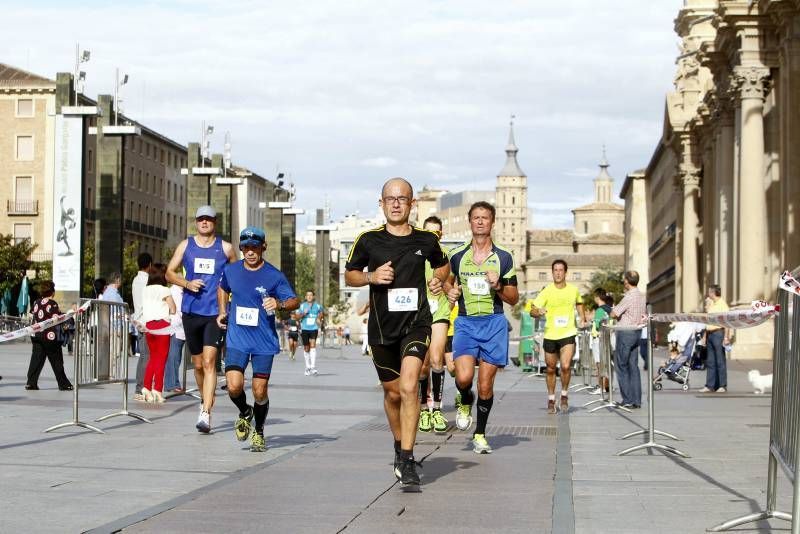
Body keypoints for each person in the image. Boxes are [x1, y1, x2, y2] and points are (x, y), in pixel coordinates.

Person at [345, 177, 449, 491]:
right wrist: (371, 276)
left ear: (411, 203)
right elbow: (350, 276)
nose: (395, 203)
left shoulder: (427, 240)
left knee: (409, 387)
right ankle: (398, 443)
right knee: (391, 394)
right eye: (390, 198)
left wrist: (438, 281)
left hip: (416, 323)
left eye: (402, 198)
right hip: (381, 329)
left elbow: (442, 266)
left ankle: (407, 457)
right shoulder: (367, 240)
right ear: (381, 203)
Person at [445, 201, 518, 454]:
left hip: (493, 323)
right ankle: (465, 399)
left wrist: (498, 285)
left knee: (485, 385)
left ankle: (480, 434)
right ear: (469, 222)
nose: (480, 221)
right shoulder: (456, 256)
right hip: (465, 322)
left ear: (492, 222)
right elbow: (445, 282)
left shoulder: (504, 257)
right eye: (475, 217)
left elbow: (513, 298)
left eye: (485, 218)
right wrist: (450, 292)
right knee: (463, 377)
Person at [217, 226, 299, 452]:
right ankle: (245, 412)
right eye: (245, 248)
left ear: (263, 247)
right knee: (234, 387)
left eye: (254, 247)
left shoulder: (274, 275)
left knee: (260, 391)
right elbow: (222, 288)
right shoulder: (231, 271)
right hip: (237, 339)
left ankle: (259, 431)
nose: (250, 252)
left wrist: (279, 303)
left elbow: (294, 300)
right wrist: (222, 310)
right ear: (241, 248)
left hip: (263, 341)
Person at [166, 205, 237, 433]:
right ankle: (204, 399)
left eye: (208, 219)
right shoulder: (186, 245)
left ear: (215, 222)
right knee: (197, 365)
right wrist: (187, 283)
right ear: (196, 222)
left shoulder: (225, 249)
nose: (204, 223)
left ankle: (206, 412)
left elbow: (236, 278)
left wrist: (232, 305)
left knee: (209, 363)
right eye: (200, 219)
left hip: (215, 314)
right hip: (191, 312)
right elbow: (169, 273)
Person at [530, 259, 585, 414]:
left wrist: (582, 318)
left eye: (561, 270)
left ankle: (565, 395)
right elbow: (532, 310)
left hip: (568, 333)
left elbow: (579, 303)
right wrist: (538, 312)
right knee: (550, 368)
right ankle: (551, 399)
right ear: (552, 272)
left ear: (565, 272)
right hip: (550, 334)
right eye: (555, 270)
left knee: (566, 366)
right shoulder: (547, 290)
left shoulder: (573, 290)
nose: (558, 273)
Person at [417, 216, 453, 435]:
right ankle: (424, 410)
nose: (433, 236)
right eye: (428, 232)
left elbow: (449, 283)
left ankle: (437, 409)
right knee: (423, 365)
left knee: (438, 359)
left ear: (441, 235)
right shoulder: (415, 255)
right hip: (419, 314)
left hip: (439, 311)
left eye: (436, 233)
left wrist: (448, 289)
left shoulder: (444, 257)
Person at [25, 280, 73, 391]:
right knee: (56, 360)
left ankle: (31, 382)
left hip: (37, 335)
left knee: (36, 359)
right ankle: (63, 384)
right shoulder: (53, 303)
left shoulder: (36, 302)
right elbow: (56, 319)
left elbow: (32, 315)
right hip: (50, 336)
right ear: (52, 292)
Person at [140, 263, 176, 403]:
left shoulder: (145, 290)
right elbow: (172, 309)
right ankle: (157, 390)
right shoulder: (164, 290)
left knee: (153, 358)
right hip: (162, 325)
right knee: (161, 359)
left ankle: (146, 387)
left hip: (149, 325)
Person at [610, 270, 647, 408]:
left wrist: (612, 310)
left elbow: (614, 314)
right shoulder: (641, 296)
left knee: (621, 366)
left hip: (625, 333)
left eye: (624, 279)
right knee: (634, 366)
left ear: (627, 281)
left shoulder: (629, 297)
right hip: (637, 332)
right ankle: (636, 400)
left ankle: (627, 399)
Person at [700, 284, 731, 393]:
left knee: (720, 360)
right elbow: (707, 321)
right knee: (710, 361)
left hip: (718, 333)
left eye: (709, 292)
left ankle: (722, 385)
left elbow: (726, 322)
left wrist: (726, 337)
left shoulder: (723, 305)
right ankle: (710, 385)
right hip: (710, 334)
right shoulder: (711, 304)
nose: (708, 294)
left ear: (713, 293)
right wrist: (704, 336)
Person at [131, 252, 153, 399]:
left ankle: (142, 386)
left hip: (138, 321)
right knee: (146, 356)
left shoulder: (135, 280)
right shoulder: (147, 281)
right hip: (146, 321)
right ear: (149, 265)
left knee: (144, 356)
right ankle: (141, 387)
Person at [589, 290, 613, 395]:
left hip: (598, 339)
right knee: (607, 363)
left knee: (599, 364)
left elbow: (598, 325)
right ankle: (608, 386)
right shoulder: (610, 309)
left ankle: (601, 387)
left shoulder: (599, 310)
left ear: (598, 297)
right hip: (608, 338)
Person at [163, 284, 186, 392]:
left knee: (176, 357)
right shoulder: (173, 291)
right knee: (174, 357)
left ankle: (173, 383)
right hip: (175, 327)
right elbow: (177, 310)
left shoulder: (180, 292)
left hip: (179, 329)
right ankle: (172, 384)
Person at [298, 290, 324, 376]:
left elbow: (321, 313)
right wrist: (303, 313)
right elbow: (297, 317)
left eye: (311, 295)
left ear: (313, 297)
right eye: (307, 295)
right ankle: (307, 367)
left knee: (313, 345)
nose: (309, 297)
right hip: (305, 328)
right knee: (306, 347)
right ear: (305, 297)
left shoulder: (317, 306)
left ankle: (313, 367)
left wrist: (319, 318)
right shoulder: (302, 306)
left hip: (314, 328)